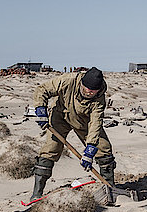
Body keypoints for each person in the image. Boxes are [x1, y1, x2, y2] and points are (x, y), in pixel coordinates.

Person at [30, 67, 116, 201]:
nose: (89, 92)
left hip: (84, 121)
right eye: (86, 88)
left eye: (93, 91)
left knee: (103, 149)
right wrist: (41, 109)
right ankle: (36, 193)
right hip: (60, 116)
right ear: (81, 83)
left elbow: (95, 123)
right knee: (50, 150)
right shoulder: (68, 80)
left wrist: (90, 149)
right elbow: (42, 90)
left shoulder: (99, 100)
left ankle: (110, 188)